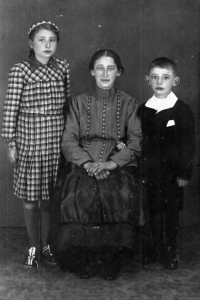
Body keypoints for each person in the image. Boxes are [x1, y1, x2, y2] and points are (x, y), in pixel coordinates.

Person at [53, 49, 144, 280]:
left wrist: (112, 164)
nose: (105, 73)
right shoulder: (77, 102)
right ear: (92, 71)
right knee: (77, 196)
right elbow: (69, 140)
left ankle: (110, 257)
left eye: (111, 68)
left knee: (119, 194)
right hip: (83, 161)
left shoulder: (129, 103)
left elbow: (135, 141)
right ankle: (83, 257)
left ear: (119, 72)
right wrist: (87, 164)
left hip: (117, 163)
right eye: (100, 68)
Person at [2, 21, 71, 267]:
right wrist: (12, 142)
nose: (47, 44)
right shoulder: (20, 70)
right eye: (41, 40)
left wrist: (69, 138)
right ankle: (33, 246)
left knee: (50, 198)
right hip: (29, 139)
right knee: (31, 198)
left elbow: (67, 105)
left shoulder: (62, 67)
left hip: (55, 140)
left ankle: (46, 245)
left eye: (52, 40)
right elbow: (11, 108)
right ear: (31, 44)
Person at [137, 57, 195, 270]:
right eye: (155, 77)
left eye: (165, 77)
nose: (159, 81)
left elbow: (188, 144)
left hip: (171, 174)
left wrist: (184, 173)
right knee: (151, 211)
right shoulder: (143, 109)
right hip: (149, 171)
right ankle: (152, 248)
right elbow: (137, 137)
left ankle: (169, 250)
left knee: (169, 214)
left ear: (175, 81)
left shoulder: (182, 110)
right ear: (148, 80)